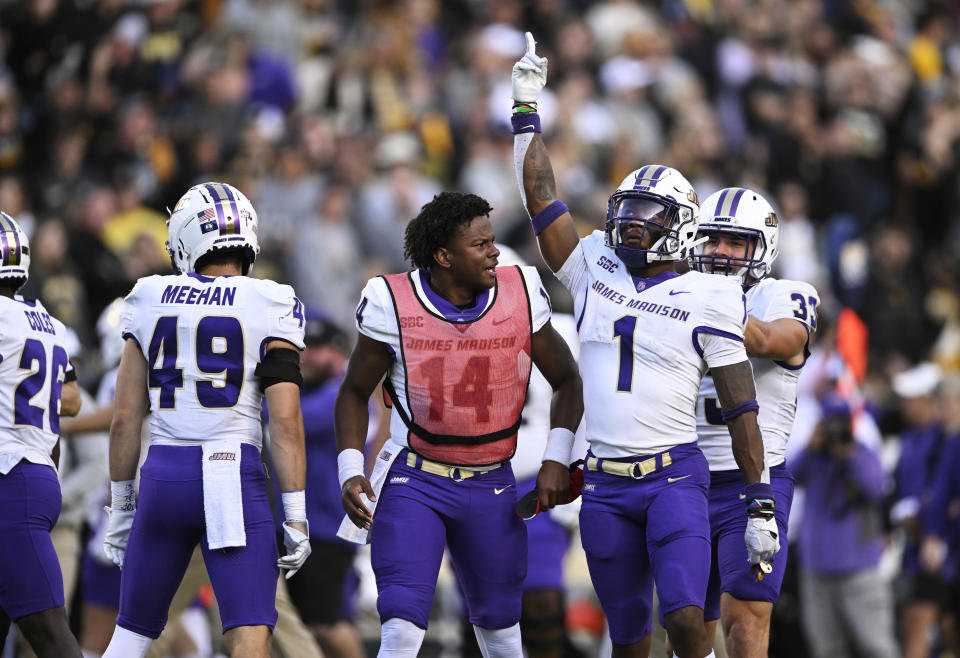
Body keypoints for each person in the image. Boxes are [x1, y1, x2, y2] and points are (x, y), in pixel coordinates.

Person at [510, 34, 775, 658]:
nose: (631, 223)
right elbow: (542, 197)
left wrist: (759, 501)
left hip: (673, 478)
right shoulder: (595, 262)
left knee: (685, 619)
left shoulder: (709, 294)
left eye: (649, 214)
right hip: (604, 483)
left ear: (679, 225)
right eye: (627, 209)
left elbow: (741, 407)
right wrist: (526, 111)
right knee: (626, 638)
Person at [335, 191, 583, 658]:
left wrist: (556, 457)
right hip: (416, 478)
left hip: (492, 480)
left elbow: (568, 379)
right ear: (443, 256)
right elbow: (352, 391)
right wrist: (351, 468)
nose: (494, 252)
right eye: (480, 244)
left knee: (502, 631)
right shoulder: (392, 301)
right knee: (403, 627)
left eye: (492, 241)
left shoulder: (522, 291)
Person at [99, 182, 311, 658]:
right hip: (231, 476)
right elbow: (286, 422)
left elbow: (126, 418)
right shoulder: (271, 301)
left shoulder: (149, 297)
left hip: (164, 476)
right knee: (249, 632)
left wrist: (121, 507)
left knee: (130, 635)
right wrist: (296, 513)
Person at [686, 187, 819, 657]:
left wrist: (693, 304)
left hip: (753, 482)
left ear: (761, 250)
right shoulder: (675, 289)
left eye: (734, 242)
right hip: (683, 479)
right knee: (683, 630)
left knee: (744, 624)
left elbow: (770, 339)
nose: (719, 252)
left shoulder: (784, 295)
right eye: (711, 240)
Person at [0, 211, 83, 658]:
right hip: (33, 473)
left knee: (51, 635)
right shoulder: (46, 321)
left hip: (11, 482)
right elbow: (70, 398)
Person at [269, 313, 366, 658]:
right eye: (304, 348)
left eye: (320, 348)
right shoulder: (309, 391)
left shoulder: (340, 393)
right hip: (304, 526)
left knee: (327, 624)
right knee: (307, 622)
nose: (308, 356)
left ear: (340, 353)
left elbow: (289, 419)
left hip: (328, 529)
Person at [790, 394, 898, 658]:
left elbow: (875, 489)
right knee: (826, 649)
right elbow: (788, 478)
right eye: (829, 423)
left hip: (859, 571)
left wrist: (848, 455)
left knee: (875, 645)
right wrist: (808, 448)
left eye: (839, 423)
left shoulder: (864, 453)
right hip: (816, 571)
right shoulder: (813, 457)